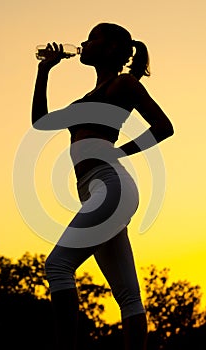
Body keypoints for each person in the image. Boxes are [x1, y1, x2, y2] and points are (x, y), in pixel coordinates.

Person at [31, 22, 174, 350]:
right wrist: (44, 70)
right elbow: (40, 122)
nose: (83, 43)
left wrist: (122, 151)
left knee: (58, 266)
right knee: (128, 297)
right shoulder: (83, 102)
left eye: (91, 38)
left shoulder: (122, 84)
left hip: (111, 187)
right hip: (97, 191)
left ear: (111, 49)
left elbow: (164, 127)